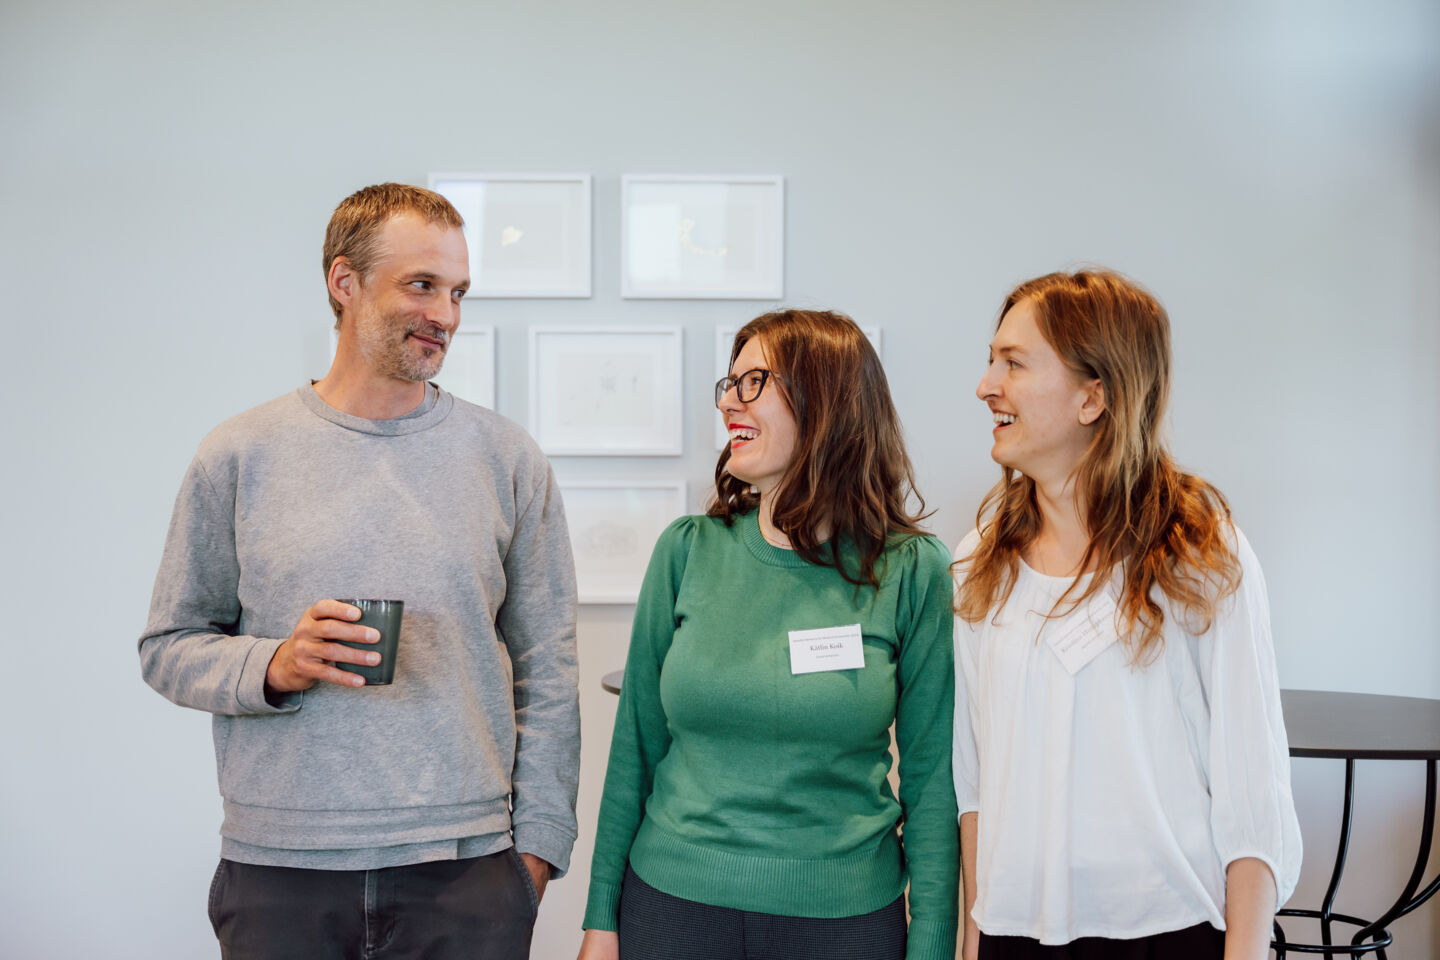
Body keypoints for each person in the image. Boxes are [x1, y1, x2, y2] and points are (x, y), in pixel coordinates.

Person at [139, 182, 579, 960]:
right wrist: (274, 662)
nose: (445, 314)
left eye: (457, 292)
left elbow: (548, 666)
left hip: (467, 871)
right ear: (345, 283)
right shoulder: (239, 454)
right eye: (421, 285)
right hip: (281, 872)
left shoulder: (506, 459)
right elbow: (168, 646)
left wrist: (536, 850)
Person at [578, 309, 960, 960]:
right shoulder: (687, 550)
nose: (730, 400)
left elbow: (932, 780)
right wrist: (599, 921)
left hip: (846, 922)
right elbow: (635, 747)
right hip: (672, 909)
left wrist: (930, 943)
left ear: (829, 401)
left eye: (754, 381)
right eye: (728, 383)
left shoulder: (910, 570)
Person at [951, 269, 1302, 960]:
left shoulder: (1203, 555)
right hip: (1011, 935)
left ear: (1094, 395)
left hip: (1168, 935)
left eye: (1014, 363)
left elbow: (1252, 797)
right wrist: (970, 945)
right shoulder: (978, 563)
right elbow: (976, 790)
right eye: (992, 360)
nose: (985, 385)